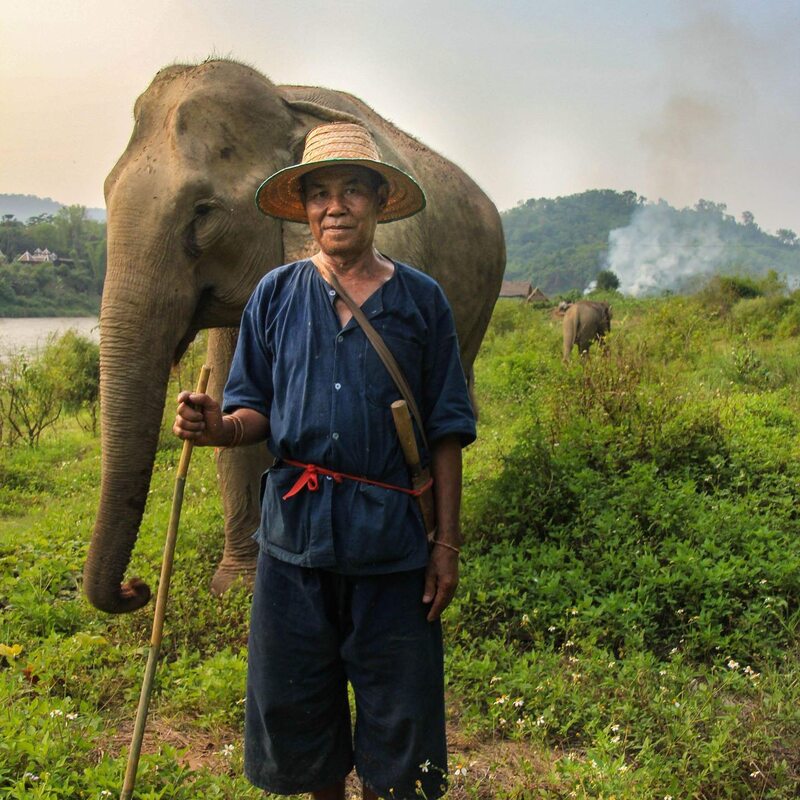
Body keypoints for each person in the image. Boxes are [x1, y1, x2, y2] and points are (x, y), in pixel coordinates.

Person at [173, 122, 476, 800]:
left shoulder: (422, 301)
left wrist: (447, 544)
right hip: (293, 547)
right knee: (300, 720)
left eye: (351, 192)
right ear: (304, 208)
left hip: (393, 549)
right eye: (319, 194)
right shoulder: (276, 296)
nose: (334, 207)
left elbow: (449, 430)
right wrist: (217, 426)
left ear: (377, 201)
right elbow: (252, 410)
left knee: (401, 727)